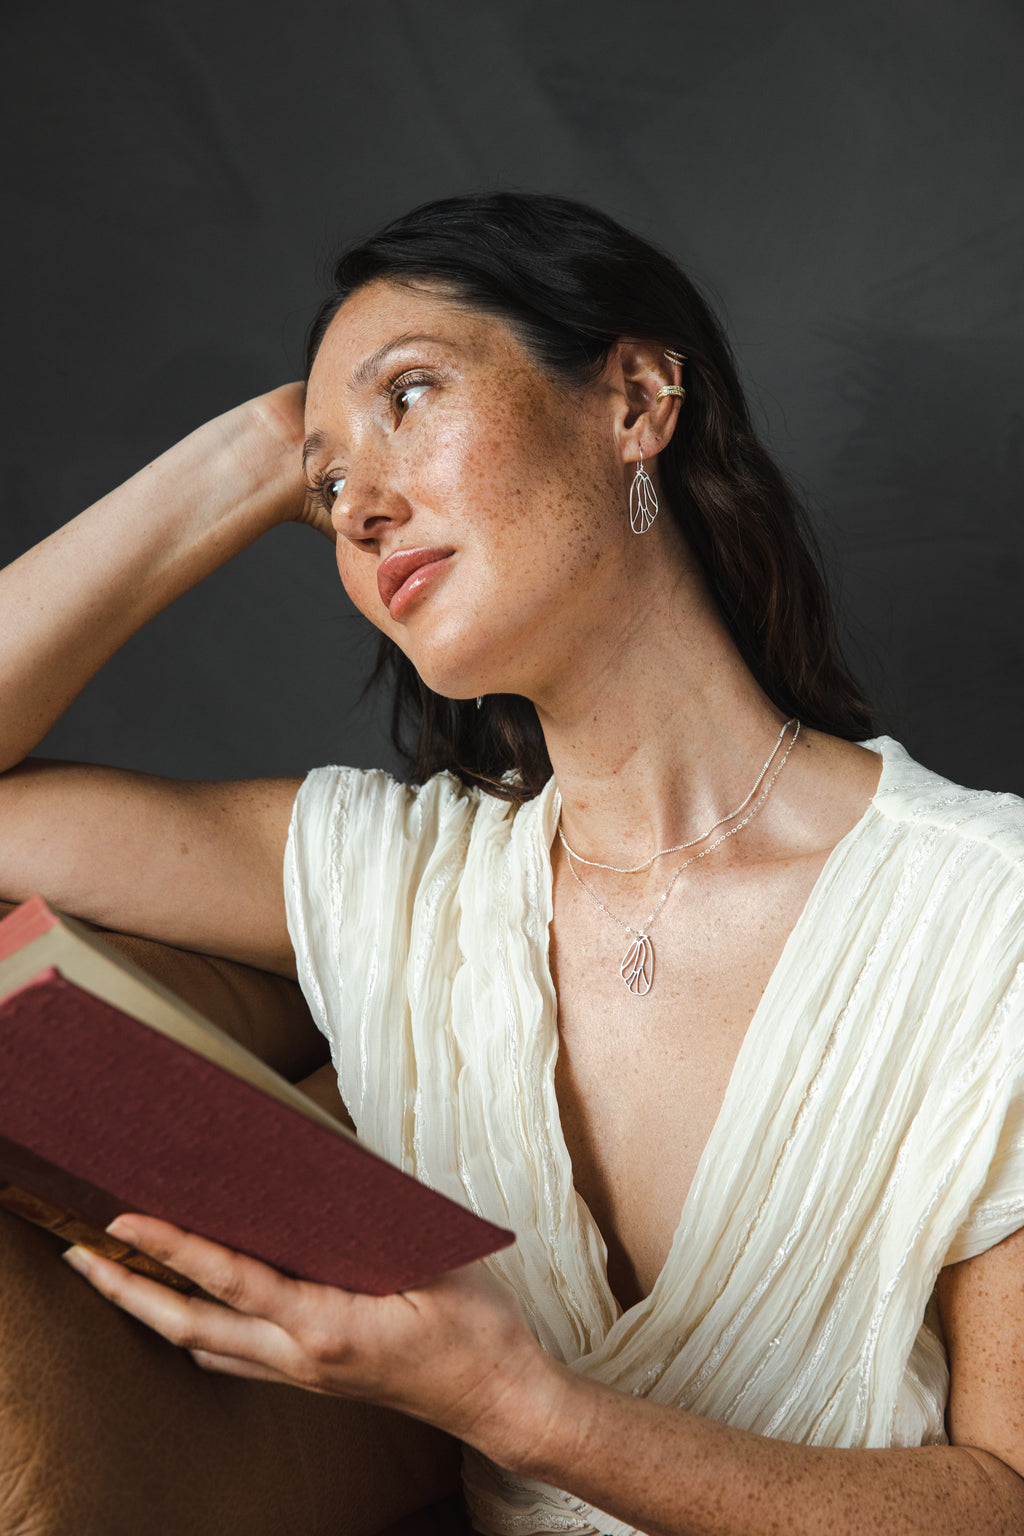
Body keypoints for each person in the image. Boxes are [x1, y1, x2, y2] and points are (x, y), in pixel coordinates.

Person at [1, 191, 1023, 1536]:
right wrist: (241, 460)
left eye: (412, 395)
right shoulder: (391, 884)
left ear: (638, 397)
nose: (359, 507)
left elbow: (1002, 1499)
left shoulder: (986, 914)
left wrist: (522, 1411)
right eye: (325, 487)